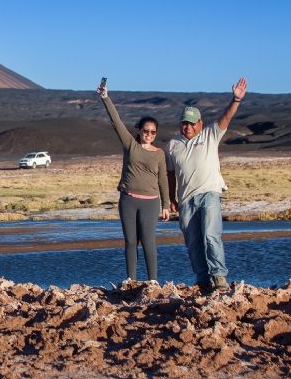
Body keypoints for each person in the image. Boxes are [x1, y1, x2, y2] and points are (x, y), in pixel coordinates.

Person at [166, 77, 248, 293]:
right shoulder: (173, 145)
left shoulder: (210, 134)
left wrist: (236, 100)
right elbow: (170, 173)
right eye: (185, 123)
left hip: (209, 193)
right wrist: (171, 198)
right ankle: (202, 281)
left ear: (200, 124)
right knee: (193, 242)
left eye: (192, 123)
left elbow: (226, 119)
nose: (188, 127)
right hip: (186, 200)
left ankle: (219, 277)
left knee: (210, 236)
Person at [97, 82, 170, 282]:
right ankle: (131, 281)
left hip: (151, 202)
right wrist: (105, 98)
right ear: (139, 130)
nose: (149, 134)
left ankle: (153, 281)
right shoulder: (131, 145)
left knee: (148, 241)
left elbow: (163, 179)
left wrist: (166, 205)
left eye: (153, 132)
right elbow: (116, 122)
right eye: (146, 130)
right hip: (129, 200)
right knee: (130, 241)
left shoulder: (159, 154)